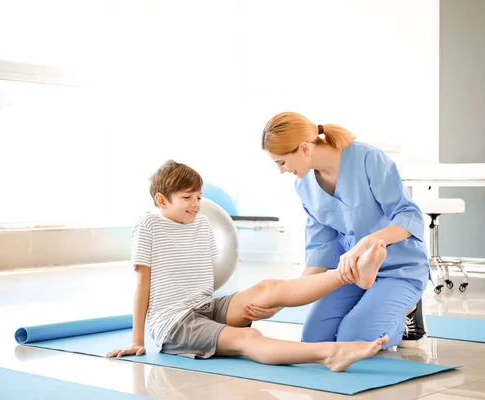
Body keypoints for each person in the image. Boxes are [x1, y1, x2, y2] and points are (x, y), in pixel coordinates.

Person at [106, 160, 391, 372]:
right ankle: (329, 354)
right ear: (161, 200)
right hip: (174, 324)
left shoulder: (202, 223)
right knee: (248, 337)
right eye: (187, 198)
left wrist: (241, 305)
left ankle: (351, 274)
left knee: (266, 288)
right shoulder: (149, 225)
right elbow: (142, 284)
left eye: (198, 197)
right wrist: (137, 340)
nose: (196, 204)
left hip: (205, 306)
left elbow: (203, 279)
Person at [252, 112, 430, 349]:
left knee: (353, 339)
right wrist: (283, 301)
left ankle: (407, 311)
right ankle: (376, 304)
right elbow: (321, 252)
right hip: (353, 272)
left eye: (282, 162)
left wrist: (368, 243)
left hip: (400, 268)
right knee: (314, 339)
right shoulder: (305, 185)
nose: (282, 170)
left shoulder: (369, 159)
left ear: (304, 148)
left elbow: (409, 215)